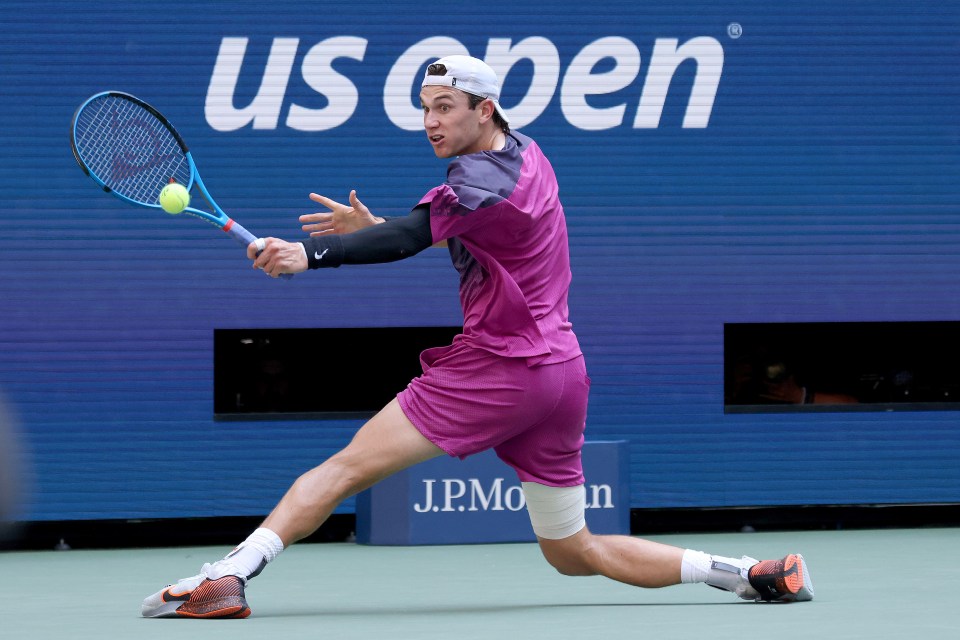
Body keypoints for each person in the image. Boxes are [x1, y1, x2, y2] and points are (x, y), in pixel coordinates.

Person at [142, 55, 813, 619]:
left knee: (343, 468)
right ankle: (749, 571)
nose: (430, 122)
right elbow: (451, 233)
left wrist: (308, 257)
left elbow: (412, 235)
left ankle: (229, 576)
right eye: (424, 108)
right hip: (561, 376)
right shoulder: (529, 157)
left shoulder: (473, 182)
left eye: (445, 107)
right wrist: (374, 228)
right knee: (572, 551)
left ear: (484, 108)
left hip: (499, 369)